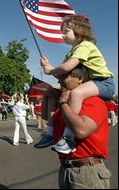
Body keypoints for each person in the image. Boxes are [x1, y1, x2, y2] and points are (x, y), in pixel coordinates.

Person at [35, 15, 115, 154]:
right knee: (52, 94)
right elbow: (63, 73)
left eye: (66, 31)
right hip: (91, 82)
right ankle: (49, 133)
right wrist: (48, 67)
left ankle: (68, 138)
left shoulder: (85, 45)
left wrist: (50, 70)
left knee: (76, 93)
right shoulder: (72, 51)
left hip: (103, 82)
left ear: (79, 32)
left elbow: (67, 68)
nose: (62, 34)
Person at [49, 64, 111, 188]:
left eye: (64, 76)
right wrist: (49, 97)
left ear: (80, 79)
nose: (59, 80)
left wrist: (62, 103)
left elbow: (81, 130)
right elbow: (50, 119)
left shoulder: (93, 100)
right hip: (66, 168)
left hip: (86, 171)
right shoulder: (66, 103)